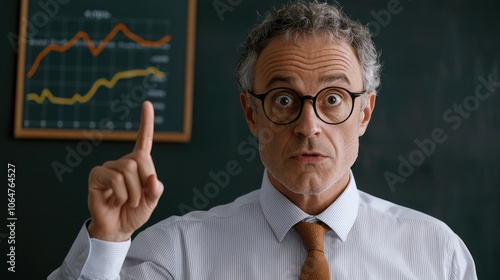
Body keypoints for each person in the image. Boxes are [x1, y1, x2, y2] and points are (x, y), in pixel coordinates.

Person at [48, 1, 477, 279]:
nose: (309, 126)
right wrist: (106, 240)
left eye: (332, 98)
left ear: (364, 112)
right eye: (284, 98)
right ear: (251, 113)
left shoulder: (439, 255)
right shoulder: (175, 253)